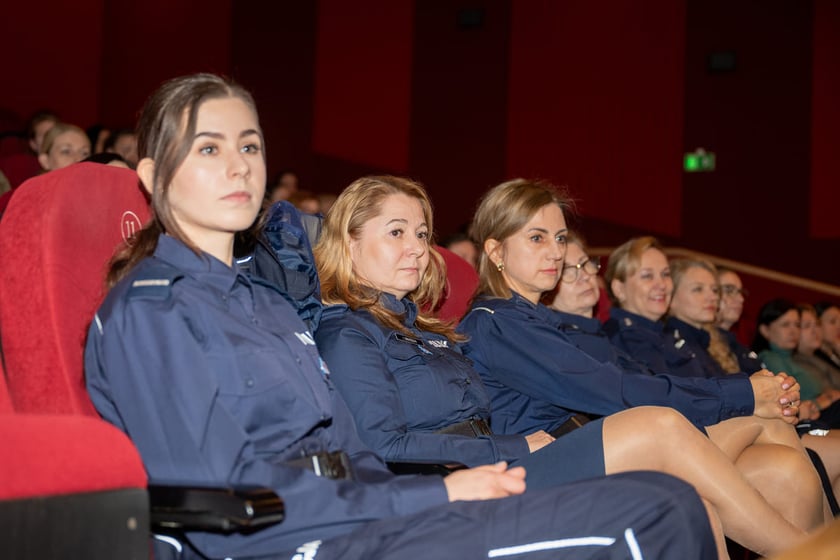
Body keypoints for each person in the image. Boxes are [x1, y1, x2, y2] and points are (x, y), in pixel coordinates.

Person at [83, 74, 720, 560]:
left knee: (668, 496)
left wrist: (435, 494)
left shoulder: (268, 307)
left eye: (249, 144)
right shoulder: (152, 310)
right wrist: (435, 494)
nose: (238, 164)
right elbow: (224, 509)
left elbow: (350, 453)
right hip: (305, 543)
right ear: (152, 174)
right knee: (654, 518)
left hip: (368, 513)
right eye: (208, 148)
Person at [455, 178, 818, 554]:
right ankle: (813, 552)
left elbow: (624, 386)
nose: (554, 253)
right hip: (536, 467)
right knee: (664, 424)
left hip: (583, 447)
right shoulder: (497, 322)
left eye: (560, 238)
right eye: (537, 238)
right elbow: (616, 392)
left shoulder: (533, 318)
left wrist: (751, 395)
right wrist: (744, 392)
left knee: (780, 463)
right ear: (496, 251)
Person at [753, 299, 840, 427]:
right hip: (808, 420)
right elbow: (784, 401)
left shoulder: (795, 359)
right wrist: (822, 401)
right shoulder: (770, 358)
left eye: (797, 325)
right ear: (765, 330)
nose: (794, 331)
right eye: (785, 325)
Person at [715, 267, 764, 373]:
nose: (741, 299)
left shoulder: (740, 349)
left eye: (740, 292)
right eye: (729, 290)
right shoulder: (698, 344)